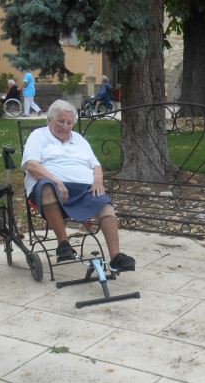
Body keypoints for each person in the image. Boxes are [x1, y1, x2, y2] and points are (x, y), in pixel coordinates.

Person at [20, 99, 135, 271]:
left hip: (83, 189)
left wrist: (98, 180)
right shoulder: (39, 136)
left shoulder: (79, 139)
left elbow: (95, 165)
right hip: (51, 188)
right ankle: (63, 244)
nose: (65, 126)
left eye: (69, 122)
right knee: (47, 187)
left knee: (105, 205)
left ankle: (116, 257)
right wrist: (56, 181)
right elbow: (31, 165)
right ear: (49, 119)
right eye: (60, 121)